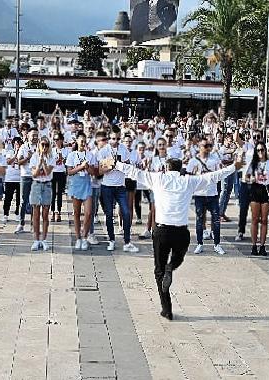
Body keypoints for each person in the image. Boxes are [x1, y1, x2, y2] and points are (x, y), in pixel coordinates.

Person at [98, 155, 242, 320]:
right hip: (181, 232)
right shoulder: (188, 181)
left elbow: (134, 172)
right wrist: (234, 167)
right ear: (180, 169)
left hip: (161, 231)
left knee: (158, 270)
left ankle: (166, 308)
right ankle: (171, 267)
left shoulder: (158, 179)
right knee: (178, 258)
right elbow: (213, 176)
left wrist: (116, 163)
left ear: (166, 168)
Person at [97, 131, 139, 253]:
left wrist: (122, 165)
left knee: (126, 212)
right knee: (109, 214)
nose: (115, 141)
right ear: (109, 139)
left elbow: (127, 164)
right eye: (113, 139)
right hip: (107, 186)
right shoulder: (104, 151)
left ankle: (127, 241)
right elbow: (100, 171)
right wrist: (109, 166)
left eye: (117, 139)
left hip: (120, 186)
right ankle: (111, 240)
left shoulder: (123, 149)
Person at [187, 137, 224, 255]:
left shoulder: (215, 159)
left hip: (212, 193)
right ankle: (199, 243)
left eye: (209, 146)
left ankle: (217, 244)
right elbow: (188, 176)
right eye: (205, 146)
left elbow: (220, 174)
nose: (208, 148)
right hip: (199, 194)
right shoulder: (193, 161)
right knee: (199, 219)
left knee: (216, 219)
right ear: (199, 147)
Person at [66, 132, 97, 250]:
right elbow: (69, 172)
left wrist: (87, 167)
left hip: (87, 184)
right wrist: (80, 166)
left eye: (85, 141)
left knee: (89, 213)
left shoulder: (90, 155)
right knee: (77, 213)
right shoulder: (72, 155)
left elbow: (94, 172)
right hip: (75, 184)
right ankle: (78, 237)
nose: (83, 143)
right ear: (77, 142)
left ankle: (85, 236)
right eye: (81, 141)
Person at [245, 141, 269, 256]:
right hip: (255, 189)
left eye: (262, 150)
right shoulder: (253, 164)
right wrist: (250, 180)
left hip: (266, 190)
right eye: (258, 150)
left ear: (265, 150)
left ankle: (262, 246)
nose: (260, 152)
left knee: (264, 220)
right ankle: (254, 245)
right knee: (254, 219)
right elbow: (246, 177)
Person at [28, 137, 56, 251]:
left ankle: (44, 239)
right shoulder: (34, 157)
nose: (44, 147)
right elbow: (34, 174)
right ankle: (36, 239)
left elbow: (48, 172)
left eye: (46, 145)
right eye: (42, 145)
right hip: (36, 184)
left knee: (45, 213)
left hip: (47, 185)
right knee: (35, 214)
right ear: (39, 145)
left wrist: (43, 162)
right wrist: (39, 163)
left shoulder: (51, 157)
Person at [15, 128, 39, 233]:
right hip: (25, 176)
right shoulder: (24, 147)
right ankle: (21, 223)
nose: (35, 137)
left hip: (36, 176)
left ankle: (34, 224)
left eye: (36, 135)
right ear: (28, 136)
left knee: (35, 201)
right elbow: (18, 162)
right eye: (33, 135)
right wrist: (27, 158)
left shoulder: (40, 147)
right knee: (23, 201)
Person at [2, 137, 22, 224]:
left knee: (19, 198)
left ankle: (18, 214)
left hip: (20, 178)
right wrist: (15, 154)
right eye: (16, 144)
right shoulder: (9, 152)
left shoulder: (23, 152)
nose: (18, 145)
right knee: (8, 198)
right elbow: (8, 162)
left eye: (19, 144)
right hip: (9, 178)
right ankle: (5, 214)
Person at [51, 132, 69, 222]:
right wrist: (56, 161)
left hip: (62, 173)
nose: (56, 141)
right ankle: (52, 211)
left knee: (60, 194)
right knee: (53, 193)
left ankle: (59, 212)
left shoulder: (66, 150)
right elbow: (49, 162)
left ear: (61, 140)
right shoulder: (52, 150)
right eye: (54, 140)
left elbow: (68, 163)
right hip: (53, 173)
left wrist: (63, 160)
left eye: (57, 139)